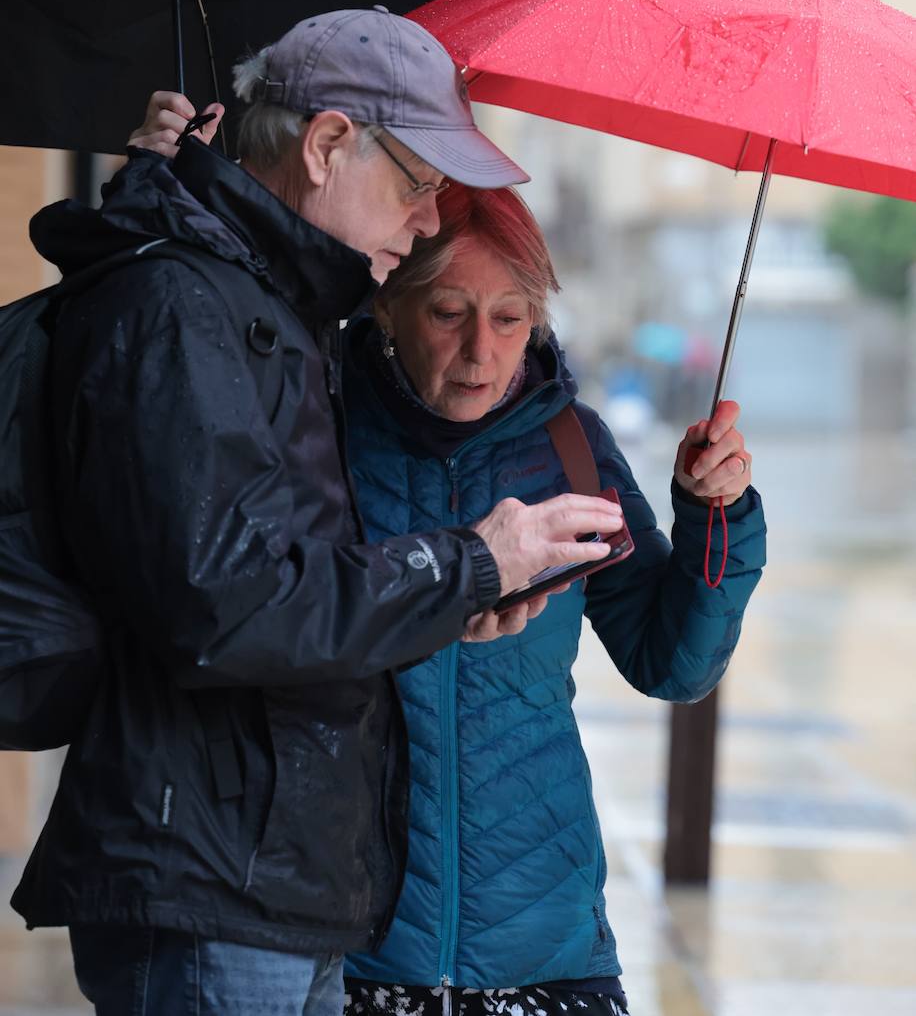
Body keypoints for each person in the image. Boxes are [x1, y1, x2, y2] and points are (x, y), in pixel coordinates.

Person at [14, 7, 622, 1016]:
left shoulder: (272, 310)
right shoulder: (184, 306)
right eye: (418, 184)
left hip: (276, 881)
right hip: (211, 884)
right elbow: (226, 606)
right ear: (329, 143)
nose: (429, 220)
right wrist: (467, 561)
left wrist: (448, 603)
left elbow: (274, 578)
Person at [131, 100, 766, 1016]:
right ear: (389, 300)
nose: (482, 352)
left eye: (511, 319)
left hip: (547, 948)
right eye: (449, 312)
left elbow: (675, 664)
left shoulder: (572, 446)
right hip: (353, 950)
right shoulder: (320, 417)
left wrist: (717, 516)